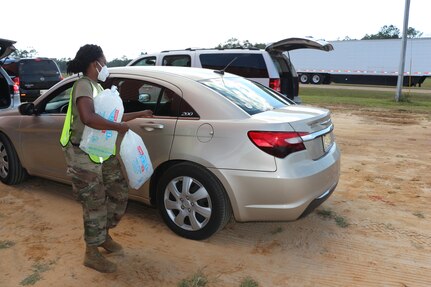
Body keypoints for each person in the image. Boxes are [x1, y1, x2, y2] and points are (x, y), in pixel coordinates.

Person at [60, 44, 152, 273]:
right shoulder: (83, 85)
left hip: (100, 152)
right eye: (104, 61)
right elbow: (88, 117)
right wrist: (118, 126)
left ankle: (101, 236)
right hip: (82, 154)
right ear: (95, 63)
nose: (106, 65)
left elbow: (113, 117)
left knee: (119, 192)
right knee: (94, 202)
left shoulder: (98, 88)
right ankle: (91, 253)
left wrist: (139, 114)